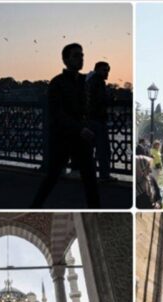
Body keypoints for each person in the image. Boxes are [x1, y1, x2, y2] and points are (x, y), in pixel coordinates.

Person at [32, 43, 100, 208]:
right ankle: (34, 208)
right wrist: (80, 128)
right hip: (64, 138)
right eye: (76, 55)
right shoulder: (57, 83)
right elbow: (57, 113)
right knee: (52, 177)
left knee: (90, 179)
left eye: (82, 55)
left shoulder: (84, 81)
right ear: (65, 59)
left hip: (81, 137)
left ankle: (96, 214)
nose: (81, 58)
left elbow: (86, 108)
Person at [86, 61, 113, 181]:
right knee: (103, 150)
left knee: (89, 150)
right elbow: (101, 99)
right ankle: (104, 175)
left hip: (90, 119)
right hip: (97, 119)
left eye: (108, 70)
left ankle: (89, 174)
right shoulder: (97, 82)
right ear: (97, 70)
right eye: (104, 70)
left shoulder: (90, 81)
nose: (107, 73)